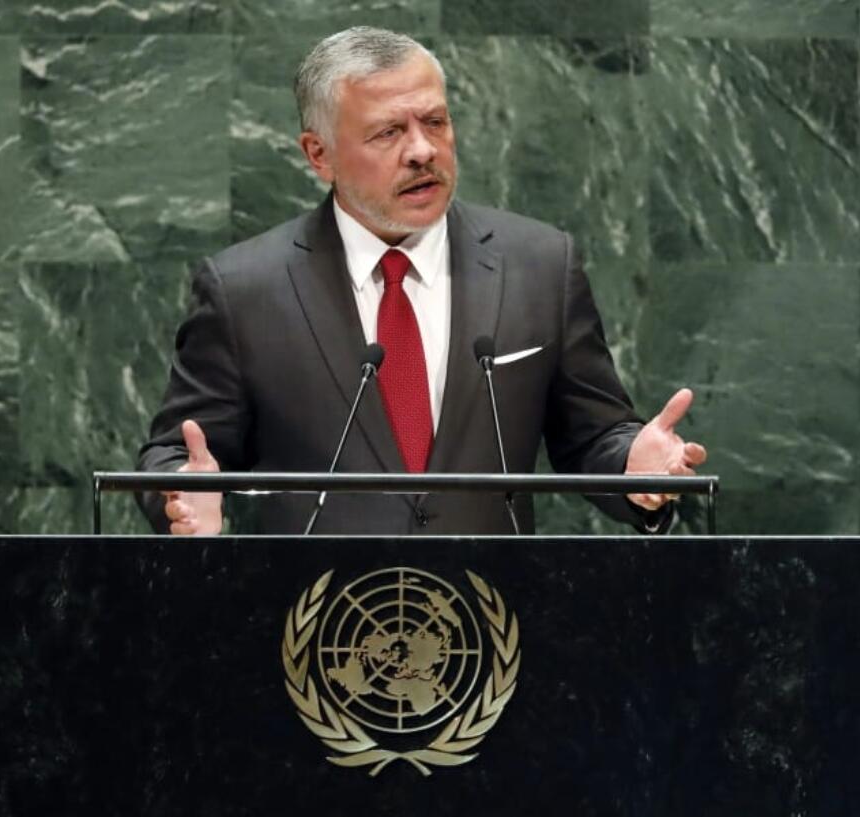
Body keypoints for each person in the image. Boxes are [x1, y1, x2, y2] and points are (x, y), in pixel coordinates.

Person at [137, 27, 706, 536]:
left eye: (434, 121)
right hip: (315, 626)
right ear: (319, 154)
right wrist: (183, 493)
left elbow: (591, 437)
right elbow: (176, 456)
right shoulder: (244, 290)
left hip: (492, 624)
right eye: (387, 133)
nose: (422, 150)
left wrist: (634, 465)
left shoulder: (540, 265)